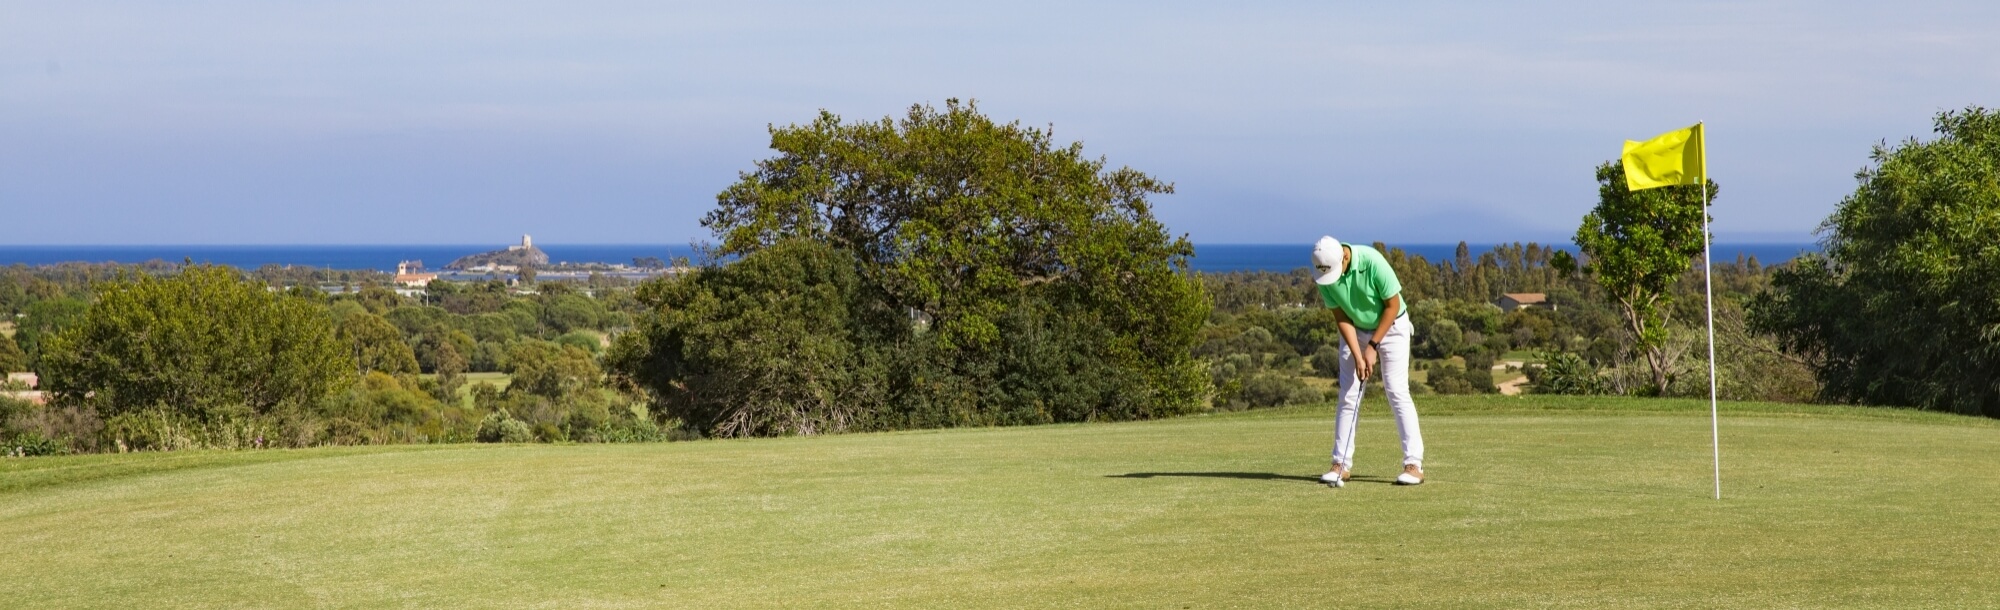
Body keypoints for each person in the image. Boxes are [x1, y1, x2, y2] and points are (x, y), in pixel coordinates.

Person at [1310, 236, 1425, 487]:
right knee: (1348, 394)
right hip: (1355, 330)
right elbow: (1341, 317)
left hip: (1392, 326)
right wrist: (1358, 353)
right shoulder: (1323, 272)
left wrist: (1372, 347)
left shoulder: (1372, 261)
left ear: (1344, 256)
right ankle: (1340, 464)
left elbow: (1392, 306)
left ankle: (1413, 465)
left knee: (1396, 391)